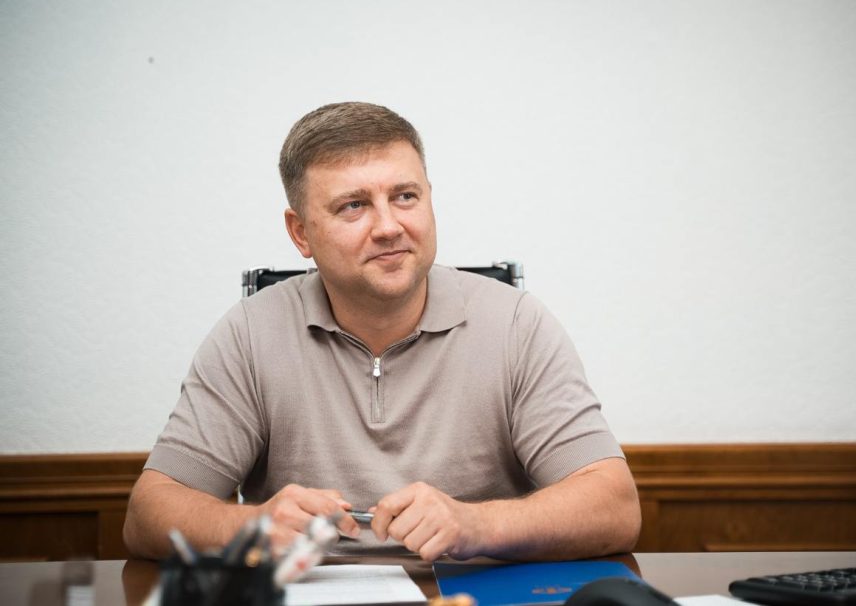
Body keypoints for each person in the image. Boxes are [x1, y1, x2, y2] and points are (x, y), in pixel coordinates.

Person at [123, 102, 641, 562]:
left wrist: (477, 524)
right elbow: (148, 516)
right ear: (301, 232)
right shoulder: (250, 334)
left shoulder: (516, 324)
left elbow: (614, 507)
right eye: (354, 205)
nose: (389, 226)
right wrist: (248, 527)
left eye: (405, 196)